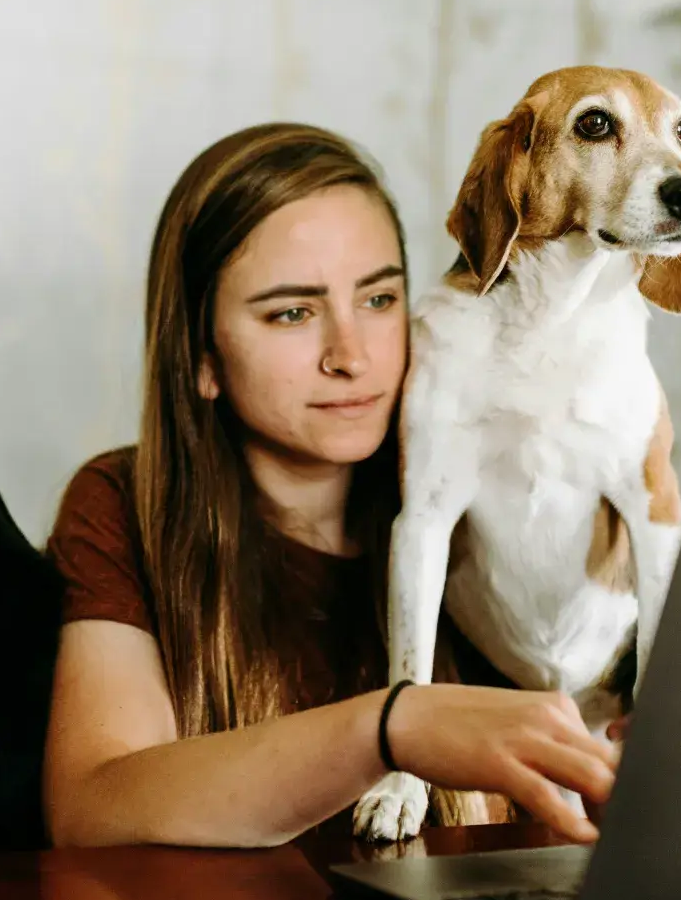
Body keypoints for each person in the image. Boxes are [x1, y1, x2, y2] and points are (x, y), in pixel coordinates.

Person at [41, 123, 618, 849]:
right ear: (201, 356)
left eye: (379, 301)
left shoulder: (486, 501)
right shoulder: (125, 504)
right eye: (292, 312)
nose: (351, 356)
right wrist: (392, 727)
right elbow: (94, 810)